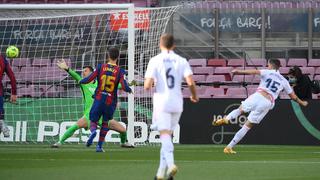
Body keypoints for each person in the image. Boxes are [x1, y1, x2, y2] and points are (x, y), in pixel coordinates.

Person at [213, 58, 308, 154]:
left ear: (270, 65)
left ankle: (227, 118)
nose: (267, 66)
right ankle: (229, 147)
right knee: (247, 126)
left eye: (268, 65)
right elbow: (293, 96)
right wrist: (302, 103)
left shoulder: (267, 72)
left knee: (240, 110)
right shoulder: (284, 81)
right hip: (267, 102)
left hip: (258, 95)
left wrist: (238, 71)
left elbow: (253, 72)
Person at [144, 34, 199, 180]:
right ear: (174, 45)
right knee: (168, 136)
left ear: (160, 45)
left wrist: (150, 83)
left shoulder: (155, 60)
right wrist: (194, 95)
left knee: (165, 136)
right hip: (177, 103)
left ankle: (171, 164)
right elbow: (190, 82)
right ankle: (160, 174)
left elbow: (147, 85)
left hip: (162, 102)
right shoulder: (182, 61)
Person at [51, 60, 134, 148]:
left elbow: (118, 85)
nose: (83, 73)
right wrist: (67, 69)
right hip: (89, 115)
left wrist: (129, 84)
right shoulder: (84, 83)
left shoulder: (101, 83)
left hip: (103, 115)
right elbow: (75, 76)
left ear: (92, 73)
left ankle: (123, 142)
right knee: (74, 127)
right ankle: (59, 142)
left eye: (85, 71)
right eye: (83, 71)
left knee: (122, 130)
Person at [79, 47, 132, 152]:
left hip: (99, 98)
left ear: (108, 56)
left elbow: (90, 78)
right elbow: (124, 86)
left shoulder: (100, 67)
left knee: (93, 120)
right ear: (117, 57)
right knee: (105, 123)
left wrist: (82, 81)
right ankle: (99, 146)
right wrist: (129, 89)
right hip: (110, 101)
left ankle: (93, 132)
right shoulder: (120, 71)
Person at [0, 54, 17, 137]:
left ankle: (1, 122)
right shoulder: (2, 59)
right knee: (1, 111)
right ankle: (1, 122)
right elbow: (12, 76)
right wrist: (14, 93)